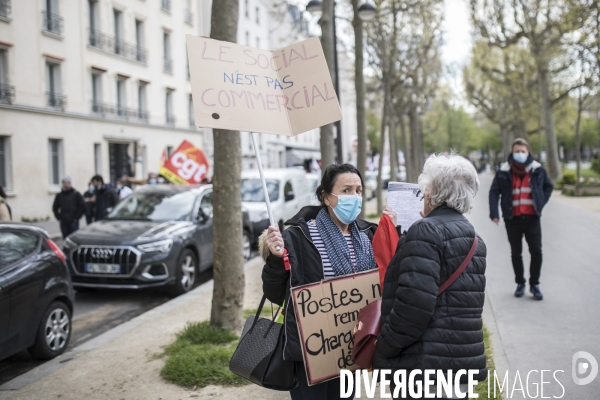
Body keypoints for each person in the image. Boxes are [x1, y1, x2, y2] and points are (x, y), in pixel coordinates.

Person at [261, 163, 398, 400]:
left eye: (358, 190)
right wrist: (275, 259)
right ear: (326, 197)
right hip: (311, 352)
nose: (354, 197)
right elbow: (275, 293)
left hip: (352, 347)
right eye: (345, 190)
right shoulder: (299, 236)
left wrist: (393, 232)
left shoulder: (369, 235)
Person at [373, 154, 486, 399]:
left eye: (425, 189)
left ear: (432, 192)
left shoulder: (425, 231)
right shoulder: (474, 237)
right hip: (459, 365)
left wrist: (385, 344)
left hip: (424, 367)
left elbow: (413, 307)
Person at [489, 138, 553, 300]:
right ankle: (520, 283)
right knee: (516, 253)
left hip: (532, 219)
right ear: (512, 152)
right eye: (517, 151)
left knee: (536, 252)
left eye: (522, 151)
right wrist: (494, 213)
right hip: (512, 219)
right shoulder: (503, 170)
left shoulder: (537, 169)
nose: (519, 154)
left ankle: (535, 284)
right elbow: (494, 192)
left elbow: (548, 186)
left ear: (528, 152)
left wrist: (540, 202)